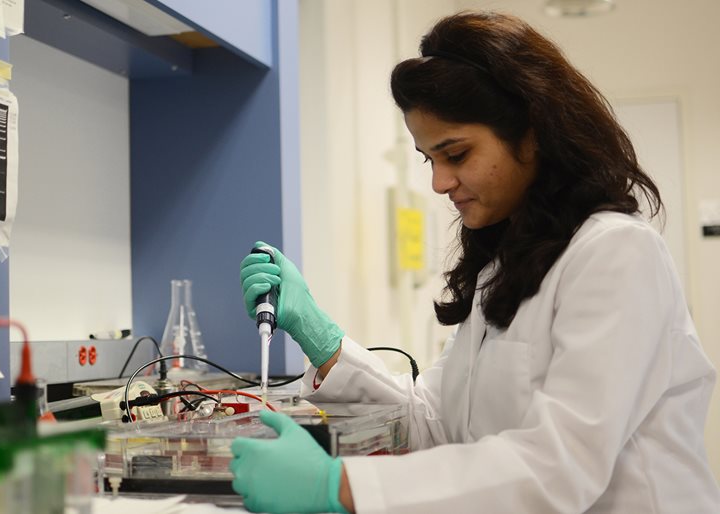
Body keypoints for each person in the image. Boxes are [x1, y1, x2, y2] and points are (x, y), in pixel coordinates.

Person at [230, 10, 720, 514]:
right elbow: (433, 425)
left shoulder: (617, 253)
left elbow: (559, 466)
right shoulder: (503, 268)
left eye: (457, 154)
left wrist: (338, 486)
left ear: (532, 132)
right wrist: (321, 339)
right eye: (430, 159)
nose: (439, 183)